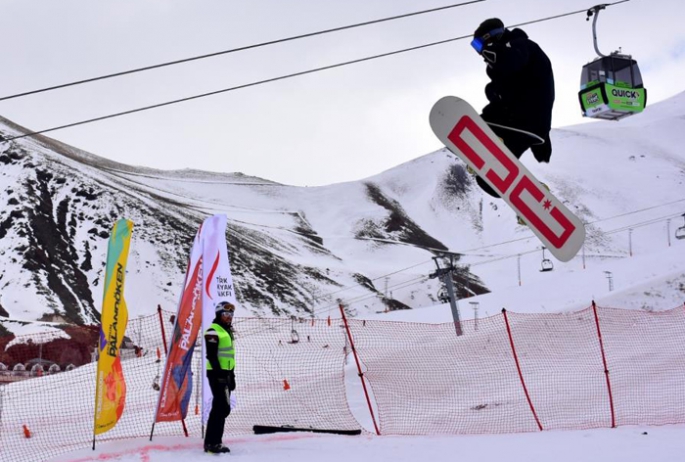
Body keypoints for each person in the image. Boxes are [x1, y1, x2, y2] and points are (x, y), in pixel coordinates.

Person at [470, 18, 555, 198]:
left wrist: (490, 52)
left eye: (478, 44)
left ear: (491, 37)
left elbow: (511, 61)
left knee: (475, 126)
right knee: (489, 182)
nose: (478, 52)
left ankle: (492, 136)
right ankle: (534, 196)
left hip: (520, 120)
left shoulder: (520, 45)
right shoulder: (510, 64)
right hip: (528, 127)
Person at [203, 300, 236, 454]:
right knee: (220, 408)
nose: (229, 317)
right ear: (219, 314)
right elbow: (211, 355)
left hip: (226, 373)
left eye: (230, 314)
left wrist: (231, 375)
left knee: (223, 408)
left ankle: (213, 441)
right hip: (216, 374)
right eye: (226, 314)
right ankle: (213, 442)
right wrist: (219, 375)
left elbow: (229, 356)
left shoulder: (226, 330)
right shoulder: (213, 331)